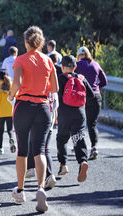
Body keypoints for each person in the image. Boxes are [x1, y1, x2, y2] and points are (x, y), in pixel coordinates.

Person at [8, 26, 58, 212]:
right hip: (43, 108)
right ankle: (40, 188)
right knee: (40, 150)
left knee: (22, 150)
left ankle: (20, 191)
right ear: (41, 42)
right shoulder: (48, 60)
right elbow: (55, 87)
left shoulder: (20, 60)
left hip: (24, 107)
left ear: (26, 42)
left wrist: (12, 95)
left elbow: (17, 83)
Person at [56, 55, 95, 183]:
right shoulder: (81, 78)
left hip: (64, 114)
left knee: (62, 138)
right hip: (79, 113)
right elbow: (92, 95)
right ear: (75, 67)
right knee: (78, 137)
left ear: (62, 67)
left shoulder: (60, 78)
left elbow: (55, 95)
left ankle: (63, 165)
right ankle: (82, 161)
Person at [76, 46, 107, 160]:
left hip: (82, 97)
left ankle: (79, 147)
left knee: (79, 123)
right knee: (92, 124)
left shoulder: (77, 65)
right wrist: (96, 88)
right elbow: (104, 81)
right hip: (96, 97)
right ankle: (94, 147)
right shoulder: (96, 64)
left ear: (79, 55)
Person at [26, 92, 59, 190]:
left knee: (40, 147)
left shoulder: (37, 87)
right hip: (49, 120)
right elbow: (55, 106)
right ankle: (31, 168)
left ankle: (49, 174)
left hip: (36, 119)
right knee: (41, 146)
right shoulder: (53, 91)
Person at [0, 71, 16, 155]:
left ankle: (0, 148)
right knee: (10, 130)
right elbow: (16, 96)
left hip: (1, 112)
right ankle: (11, 138)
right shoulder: (11, 86)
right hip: (10, 111)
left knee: (1, 130)